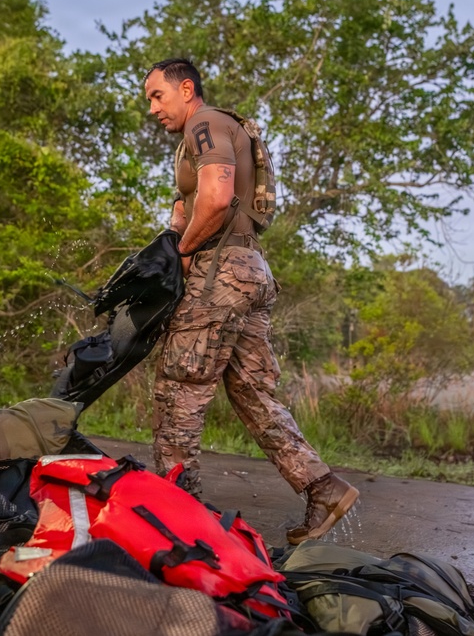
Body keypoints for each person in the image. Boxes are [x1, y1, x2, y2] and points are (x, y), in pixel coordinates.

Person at [143, 58, 359, 544]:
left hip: (222, 273)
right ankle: (323, 489)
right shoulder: (201, 136)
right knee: (253, 392)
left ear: (186, 88)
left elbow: (217, 197)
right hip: (250, 271)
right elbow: (194, 204)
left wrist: (182, 251)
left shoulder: (205, 122)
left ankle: (181, 520)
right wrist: (172, 237)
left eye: (157, 96)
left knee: (180, 389)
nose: (153, 108)